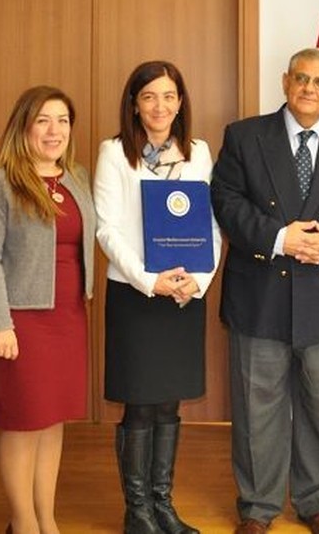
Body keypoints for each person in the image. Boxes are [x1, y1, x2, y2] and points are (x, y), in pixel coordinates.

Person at [210, 47, 319, 534]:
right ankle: (257, 506)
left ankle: (314, 501)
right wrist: (278, 238)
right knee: (256, 408)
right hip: (260, 295)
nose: (309, 89)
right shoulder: (244, 136)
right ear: (286, 81)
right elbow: (226, 201)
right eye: (301, 79)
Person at [93, 60, 222, 534]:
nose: (159, 106)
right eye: (149, 97)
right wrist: (150, 279)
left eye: (168, 96)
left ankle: (163, 506)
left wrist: (199, 280)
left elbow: (211, 222)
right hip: (136, 294)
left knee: (169, 402)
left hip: (184, 294)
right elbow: (106, 229)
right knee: (139, 403)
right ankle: (138, 511)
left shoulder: (200, 152)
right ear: (134, 103)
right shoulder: (113, 153)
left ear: (181, 102)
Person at [0, 86, 95, 534]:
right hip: (20, 320)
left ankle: (48, 517)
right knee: (22, 422)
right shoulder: (0, 181)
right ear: (24, 126)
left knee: (52, 420)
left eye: (62, 120)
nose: (54, 130)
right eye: (43, 120)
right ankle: (23, 522)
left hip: (68, 317)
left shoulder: (77, 177)